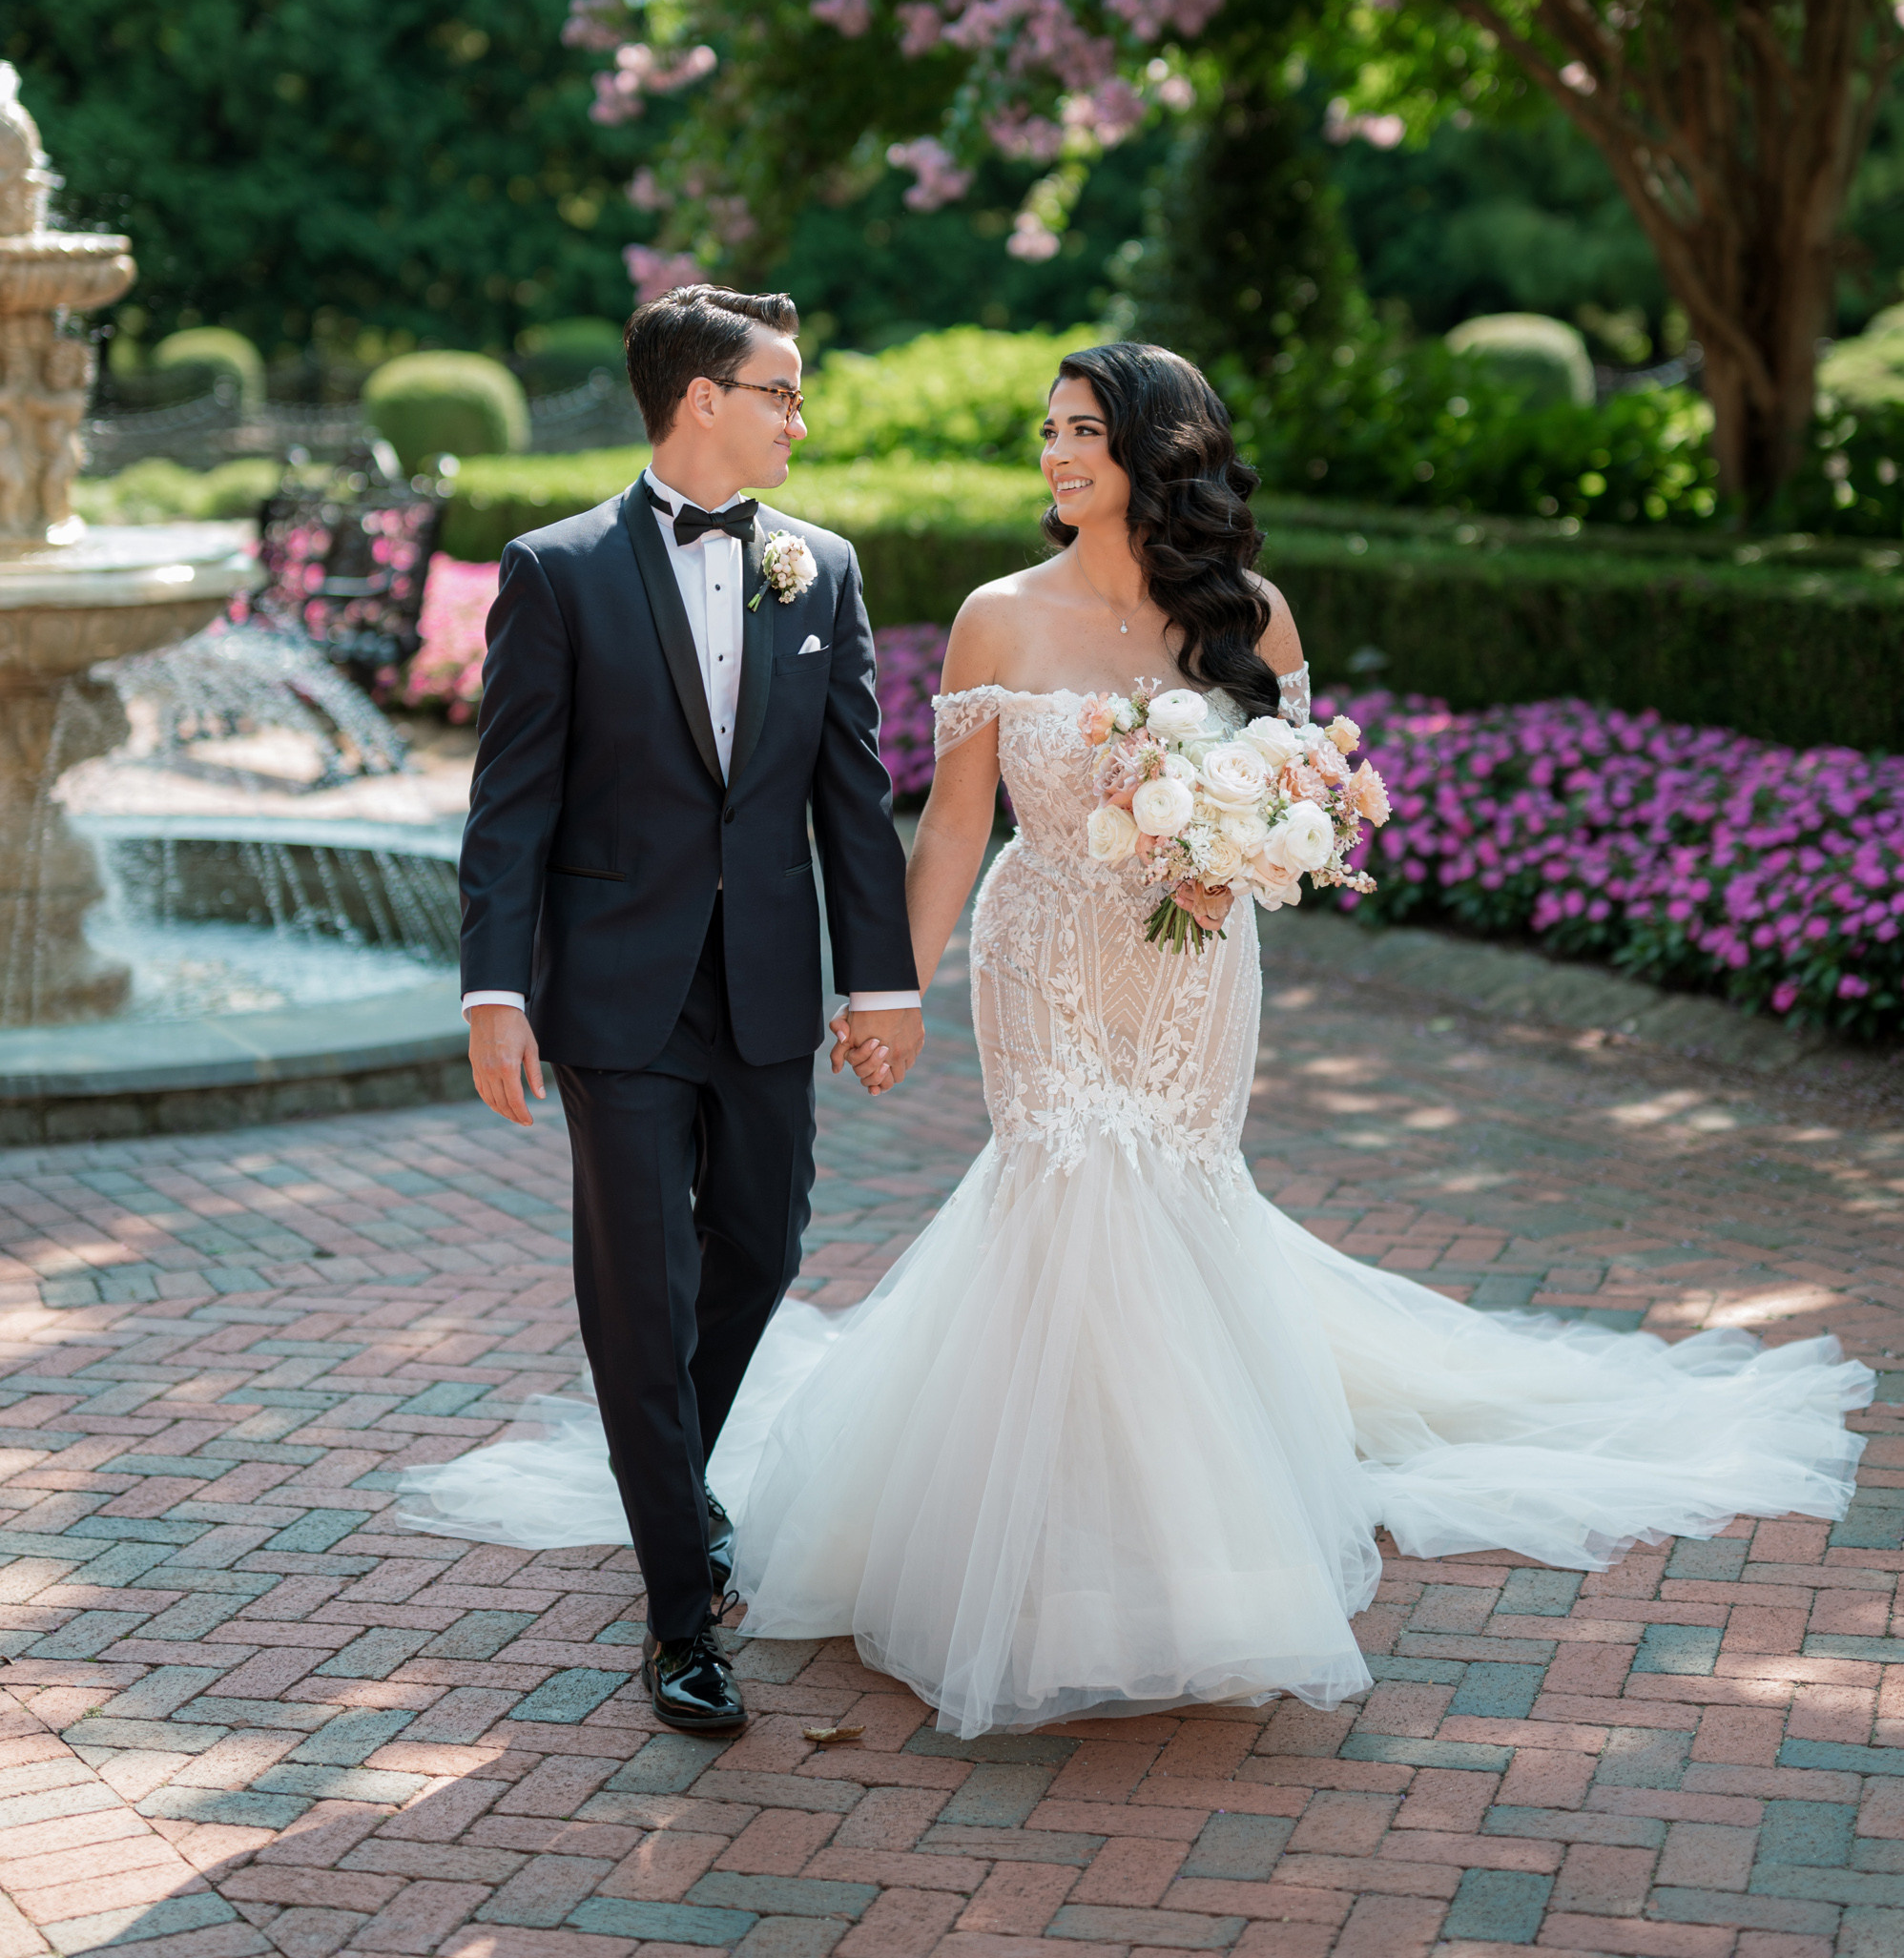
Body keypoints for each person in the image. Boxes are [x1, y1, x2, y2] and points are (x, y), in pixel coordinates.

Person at [404, 338, 1871, 1741]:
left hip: (1193, 964)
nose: (1051, 454)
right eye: (1045, 431)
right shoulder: (996, 614)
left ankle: (1191, 1549)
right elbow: (952, 829)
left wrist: (1247, 845)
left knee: (1176, 1202)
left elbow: (1305, 798)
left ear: (1154, 454)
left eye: (1081, 432)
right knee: (1073, 1193)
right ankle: (1049, 1566)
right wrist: (889, 995)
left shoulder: (1255, 619)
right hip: (1043, 955)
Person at [412, 286, 921, 1738]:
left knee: (761, 1241)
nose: (799, 419)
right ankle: (680, 1617)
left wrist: (878, 981)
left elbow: (850, 800)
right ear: (701, 396)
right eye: (781, 391)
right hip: (610, 996)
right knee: (641, 1285)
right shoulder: (557, 570)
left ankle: (667, 1458)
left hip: (765, 985)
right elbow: (509, 801)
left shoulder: (820, 570)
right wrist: (493, 990)